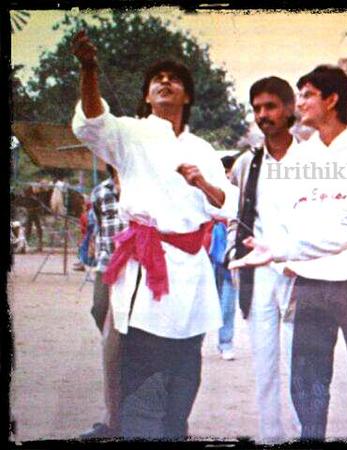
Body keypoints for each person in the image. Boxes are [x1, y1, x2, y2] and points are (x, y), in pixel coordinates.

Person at [71, 30, 235, 439]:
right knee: (143, 369)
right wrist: (89, 69)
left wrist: (201, 182)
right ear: (147, 95)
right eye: (157, 79)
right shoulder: (130, 133)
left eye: (174, 79)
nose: (164, 82)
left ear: (186, 96)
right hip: (146, 267)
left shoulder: (202, 149)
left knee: (184, 368)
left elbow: (226, 203)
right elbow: (92, 121)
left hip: (191, 271)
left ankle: (175, 429)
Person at [231, 66, 347, 441]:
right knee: (307, 391)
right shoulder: (303, 155)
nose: (300, 103)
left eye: (307, 95)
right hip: (309, 285)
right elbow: (289, 219)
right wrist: (288, 260)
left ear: (332, 99)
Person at [226, 77, 301, 442]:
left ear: (289, 108)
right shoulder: (247, 163)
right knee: (265, 362)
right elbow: (234, 213)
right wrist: (233, 252)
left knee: (299, 363)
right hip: (258, 275)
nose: (263, 115)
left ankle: (304, 433)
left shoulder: (312, 158)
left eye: (270, 106)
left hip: (299, 271)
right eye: (257, 108)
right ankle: (270, 435)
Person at [80, 164, 126, 439]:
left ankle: (118, 419)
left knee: (118, 344)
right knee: (100, 312)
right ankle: (113, 420)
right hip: (107, 267)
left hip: (136, 271)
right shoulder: (100, 193)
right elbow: (97, 228)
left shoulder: (143, 189)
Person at [209, 155, 238, 361]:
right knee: (202, 300)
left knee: (228, 302)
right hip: (208, 251)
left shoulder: (239, 193)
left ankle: (225, 342)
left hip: (229, 253)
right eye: (225, 171)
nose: (228, 175)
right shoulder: (208, 190)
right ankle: (194, 342)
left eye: (230, 171)